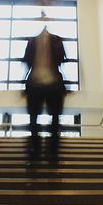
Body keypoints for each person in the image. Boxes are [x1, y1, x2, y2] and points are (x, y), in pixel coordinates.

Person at [22, 25, 66, 159]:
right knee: (34, 118)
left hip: (53, 84)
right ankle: (35, 147)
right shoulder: (32, 41)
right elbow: (26, 61)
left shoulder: (56, 40)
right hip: (35, 84)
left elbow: (61, 59)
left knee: (55, 118)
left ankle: (52, 149)